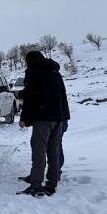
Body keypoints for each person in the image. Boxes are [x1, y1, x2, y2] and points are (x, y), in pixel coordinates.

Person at [18, 50, 70, 197]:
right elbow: (61, 96)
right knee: (54, 151)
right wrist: (63, 117)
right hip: (58, 118)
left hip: (43, 119)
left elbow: (31, 97)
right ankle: (51, 185)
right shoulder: (55, 72)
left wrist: (24, 118)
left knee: (39, 151)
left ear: (29, 61)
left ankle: (36, 186)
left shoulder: (33, 72)